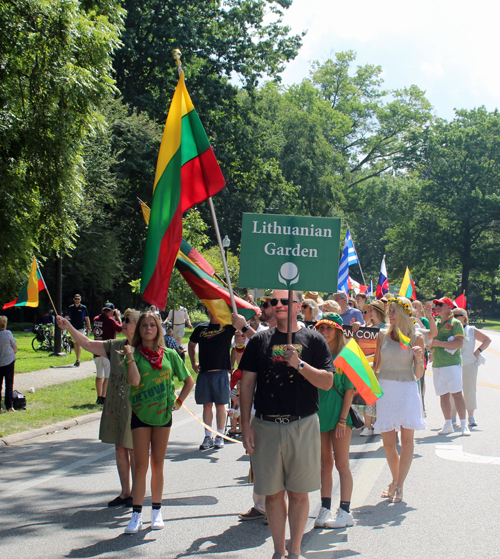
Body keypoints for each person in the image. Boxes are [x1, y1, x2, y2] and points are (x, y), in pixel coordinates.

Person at [240, 290, 334, 559]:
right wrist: (245, 425)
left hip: (302, 425)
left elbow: (327, 382)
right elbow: (247, 385)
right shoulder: (259, 341)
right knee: (271, 494)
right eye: (273, 302)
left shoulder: (314, 339)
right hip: (265, 426)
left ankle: (295, 551)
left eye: (283, 301)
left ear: (297, 306)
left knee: (298, 493)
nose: (277, 305)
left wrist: (299, 364)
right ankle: (278, 551)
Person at [57, 308, 140, 507]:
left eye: (128, 320)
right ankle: (125, 492)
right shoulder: (116, 345)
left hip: (136, 406)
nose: (124, 323)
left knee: (133, 449)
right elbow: (87, 344)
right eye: (125, 319)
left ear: (137, 326)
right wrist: (68, 327)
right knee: (119, 447)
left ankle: (137, 493)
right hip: (116, 404)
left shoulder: (146, 348)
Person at [123, 311, 194, 534]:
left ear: (159, 329)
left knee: (158, 465)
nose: (148, 329)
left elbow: (189, 381)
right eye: (144, 325)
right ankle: (136, 515)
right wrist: (130, 357)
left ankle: (156, 511)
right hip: (141, 415)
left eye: (152, 325)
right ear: (140, 330)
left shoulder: (171, 354)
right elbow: (134, 381)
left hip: (163, 415)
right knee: (141, 466)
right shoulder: (133, 353)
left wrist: (179, 402)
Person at [373, 297, 426, 503]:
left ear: (404, 313)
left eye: (394, 311)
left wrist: (420, 358)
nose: (391, 314)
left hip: (407, 390)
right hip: (386, 389)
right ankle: (395, 480)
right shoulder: (382, 334)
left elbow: (419, 374)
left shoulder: (416, 337)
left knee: (406, 442)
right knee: (388, 444)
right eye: (389, 311)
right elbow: (376, 365)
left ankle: (400, 484)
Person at [313, 313, 355, 529]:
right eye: (321, 328)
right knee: (324, 464)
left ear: (338, 331)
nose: (324, 332)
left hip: (340, 417)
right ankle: (325, 508)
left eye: (329, 328)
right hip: (318, 415)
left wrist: (342, 420)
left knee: (342, 464)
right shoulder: (315, 355)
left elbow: (349, 390)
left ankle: (345, 511)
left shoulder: (345, 355)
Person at [189, 310, 235, 450]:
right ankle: (208, 436)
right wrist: (193, 362)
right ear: (208, 312)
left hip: (220, 373)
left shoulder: (227, 327)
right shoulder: (200, 328)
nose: (214, 314)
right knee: (207, 405)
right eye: (211, 311)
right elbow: (191, 345)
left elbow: (240, 317)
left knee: (220, 406)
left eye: (216, 310)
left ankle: (219, 435)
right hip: (204, 373)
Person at [425, 297, 470, 435]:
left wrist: (439, 344)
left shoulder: (455, 323)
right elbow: (430, 340)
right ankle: (448, 423)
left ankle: (463, 424)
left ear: (449, 308)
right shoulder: (436, 323)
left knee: (457, 394)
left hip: (452, 364)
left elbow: (458, 343)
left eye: (440, 304)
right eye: (436, 305)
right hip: (438, 364)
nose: (437, 306)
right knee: (443, 396)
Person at [450, 308, 491, 427]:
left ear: (463, 317)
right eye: (452, 315)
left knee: (469, 390)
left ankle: (471, 416)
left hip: (469, 364)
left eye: (456, 315)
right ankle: (453, 417)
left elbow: (487, 340)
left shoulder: (471, 330)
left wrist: (478, 352)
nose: (453, 318)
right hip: (454, 364)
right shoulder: (450, 330)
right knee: (453, 391)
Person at [359, 300, 387, 437]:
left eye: (371, 310)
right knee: (368, 394)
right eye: (367, 310)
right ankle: (367, 425)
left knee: (379, 395)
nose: (368, 312)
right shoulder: (366, 327)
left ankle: (378, 423)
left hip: (382, 365)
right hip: (367, 364)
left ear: (379, 312)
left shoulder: (386, 327)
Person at [92, 303, 122, 404]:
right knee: (108, 376)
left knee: (99, 375)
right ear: (112, 312)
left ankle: (98, 396)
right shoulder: (110, 320)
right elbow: (121, 329)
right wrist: (118, 317)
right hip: (107, 350)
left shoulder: (96, 318)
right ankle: (104, 396)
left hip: (97, 351)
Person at [66, 294, 91, 367]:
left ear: (80, 300)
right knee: (75, 343)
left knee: (79, 343)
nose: (77, 300)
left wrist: (89, 327)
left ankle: (78, 359)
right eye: (76, 299)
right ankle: (77, 358)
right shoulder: (71, 307)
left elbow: (87, 318)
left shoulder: (83, 308)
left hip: (81, 327)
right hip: (73, 327)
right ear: (73, 299)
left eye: (78, 299)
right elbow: (67, 317)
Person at [0, 316, 17, 412]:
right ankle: (9, 405)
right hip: (9, 361)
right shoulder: (7, 333)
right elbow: (14, 345)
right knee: (9, 383)